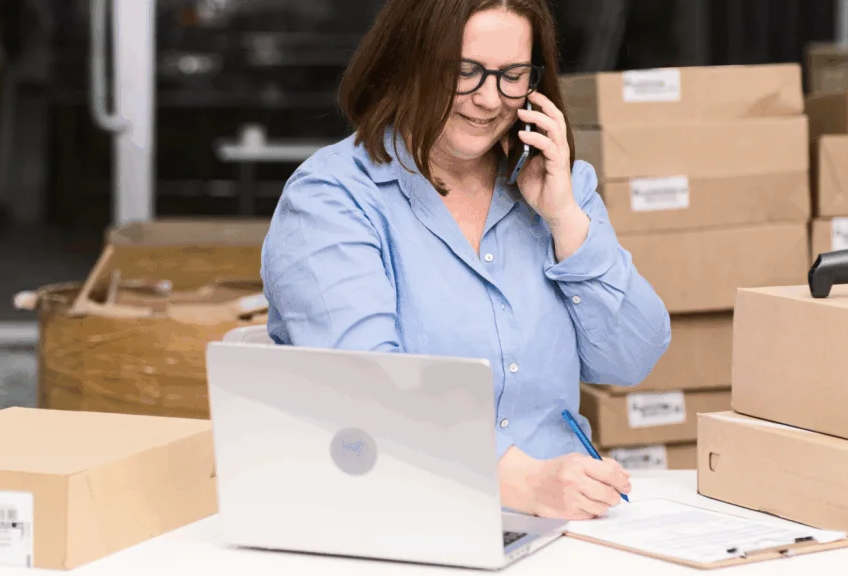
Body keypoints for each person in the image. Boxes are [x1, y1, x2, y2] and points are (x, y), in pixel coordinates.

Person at [261, 0, 671, 520]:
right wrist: (523, 481)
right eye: (464, 72)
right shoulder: (332, 197)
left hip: (564, 524)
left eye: (512, 76)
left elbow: (631, 359)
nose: (488, 99)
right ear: (409, 61)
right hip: (400, 517)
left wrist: (565, 218)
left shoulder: (558, 187)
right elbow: (363, 394)